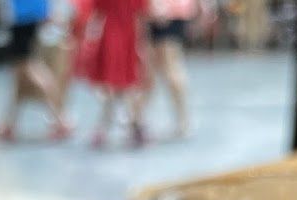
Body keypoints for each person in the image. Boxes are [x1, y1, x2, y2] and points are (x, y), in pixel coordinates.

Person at [0, 0, 73, 140]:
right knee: (21, 77)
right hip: (23, 19)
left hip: (22, 19)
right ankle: (10, 124)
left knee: (28, 69)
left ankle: (60, 119)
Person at [85, 0, 149, 147]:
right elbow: (141, 13)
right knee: (122, 84)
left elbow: (97, 11)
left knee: (117, 85)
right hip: (123, 33)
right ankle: (133, 124)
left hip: (115, 33)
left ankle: (108, 126)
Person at [142, 0, 209, 137]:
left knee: (170, 68)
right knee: (151, 69)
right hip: (158, 15)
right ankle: (137, 118)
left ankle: (182, 120)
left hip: (167, 15)